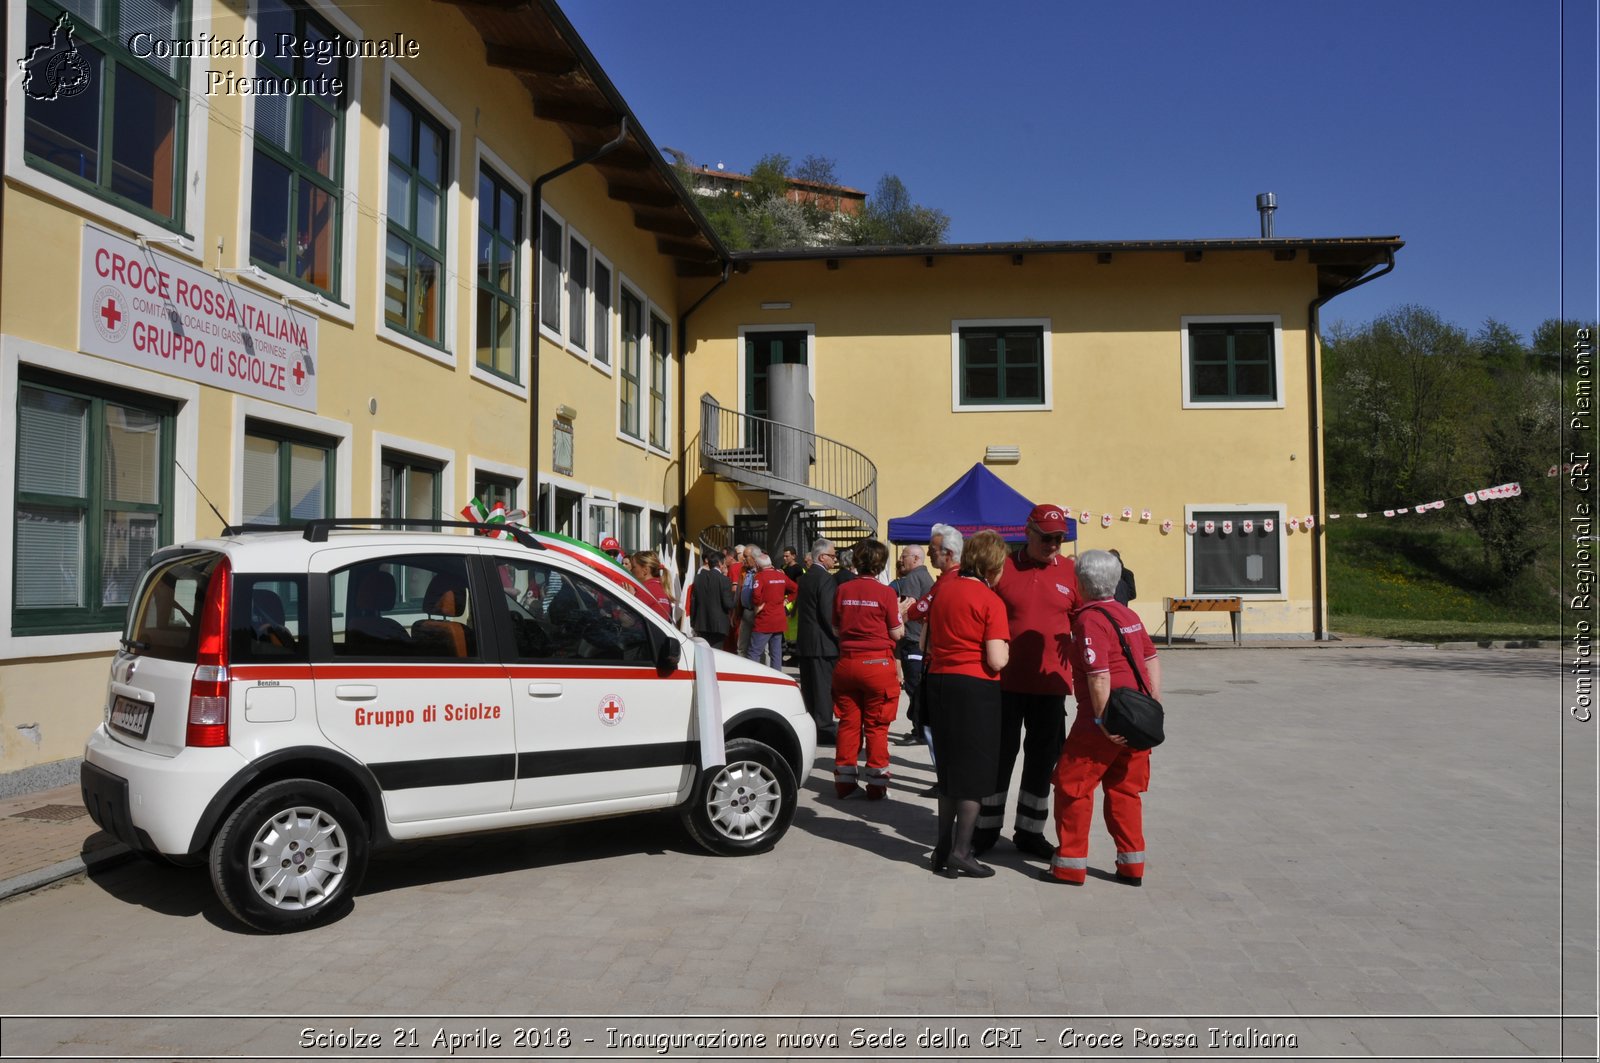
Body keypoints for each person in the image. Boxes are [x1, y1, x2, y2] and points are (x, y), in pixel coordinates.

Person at [1043, 549, 1161, 887]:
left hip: (1104, 717)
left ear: (1080, 582)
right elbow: (1152, 658)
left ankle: (1069, 866)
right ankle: (1131, 865)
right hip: (1137, 715)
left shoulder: (1088, 619)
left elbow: (1098, 675)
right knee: (1125, 791)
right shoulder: (1127, 614)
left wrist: (1102, 721)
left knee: (1072, 788)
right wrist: (1152, 704)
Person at [976, 503, 1080, 861]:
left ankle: (1030, 831)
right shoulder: (1002, 567)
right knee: (999, 757)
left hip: (1050, 685)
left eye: (1059, 539)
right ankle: (985, 828)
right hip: (1003, 683)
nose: (1053, 545)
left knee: (1041, 761)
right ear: (1028, 531)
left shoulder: (1071, 572)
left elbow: (1084, 620)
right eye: (1047, 537)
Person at [924, 528, 1010, 879]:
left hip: (940, 683)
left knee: (949, 771)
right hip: (975, 688)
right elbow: (997, 660)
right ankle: (962, 850)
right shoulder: (992, 601)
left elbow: (924, 647)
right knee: (974, 775)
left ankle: (942, 847)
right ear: (993, 568)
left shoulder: (943, 591)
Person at [830, 540, 905, 799]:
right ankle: (876, 785)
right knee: (877, 725)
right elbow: (896, 633)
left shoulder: (843, 589)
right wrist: (902, 615)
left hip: (847, 662)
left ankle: (845, 784)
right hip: (877, 664)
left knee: (849, 723)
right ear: (880, 564)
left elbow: (836, 629)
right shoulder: (886, 594)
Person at [795, 538, 840, 740]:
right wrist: (839, 637)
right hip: (823, 643)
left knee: (810, 688)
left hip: (806, 642)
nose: (835, 559)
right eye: (832, 555)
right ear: (822, 557)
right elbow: (828, 613)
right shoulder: (826, 579)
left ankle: (813, 725)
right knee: (823, 689)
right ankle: (824, 729)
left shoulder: (805, 578)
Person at [892, 544, 934, 746]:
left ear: (916, 559)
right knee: (916, 686)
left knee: (913, 687)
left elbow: (907, 606)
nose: (901, 559)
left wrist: (893, 621)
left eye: (904, 556)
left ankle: (919, 731)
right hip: (921, 640)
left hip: (913, 640)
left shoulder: (913, 578)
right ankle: (919, 728)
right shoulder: (925, 576)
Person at [746, 551, 796, 670]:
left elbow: (756, 597)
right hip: (779, 619)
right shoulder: (781, 575)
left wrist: (757, 605)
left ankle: (753, 677)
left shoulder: (760, 577)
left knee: (754, 652)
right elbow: (795, 589)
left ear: (758, 566)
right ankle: (777, 678)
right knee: (776, 653)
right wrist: (787, 600)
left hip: (764, 620)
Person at [690, 550, 734, 645]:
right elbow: (728, 604)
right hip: (718, 626)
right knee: (716, 655)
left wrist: (693, 621)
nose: (725, 566)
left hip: (701, 624)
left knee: (703, 655)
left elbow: (693, 601)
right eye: (724, 563)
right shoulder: (724, 580)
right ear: (719, 563)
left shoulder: (698, 578)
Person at [627, 550, 672, 621]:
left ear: (645, 570)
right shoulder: (659, 586)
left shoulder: (645, 590)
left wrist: (629, 598)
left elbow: (628, 620)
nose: (631, 570)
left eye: (633, 567)